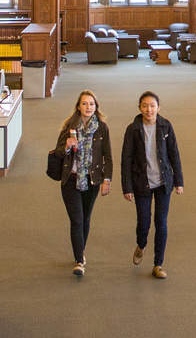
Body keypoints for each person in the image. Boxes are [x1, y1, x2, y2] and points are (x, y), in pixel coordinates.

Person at [120, 91, 183, 279]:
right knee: (144, 223)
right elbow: (126, 159)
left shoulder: (165, 126)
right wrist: (127, 187)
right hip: (142, 183)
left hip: (163, 182)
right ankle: (141, 244)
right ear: (140, 108)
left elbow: (174, 154)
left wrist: (179, 181)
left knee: (161, 223)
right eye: (145, 106)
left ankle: (158, 263)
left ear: (158, 108)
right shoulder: (133, 129)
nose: (149, 109)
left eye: (152, 106)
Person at [54, 90, 113, 277]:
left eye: (91, 104)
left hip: (92, 179)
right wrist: (66, 146)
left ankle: (81, 251)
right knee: (77, 219)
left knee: (86, 219)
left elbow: (108, 156)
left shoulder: (102, 128)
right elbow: (57, 154)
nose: (88, 107)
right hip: (70, 180)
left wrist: (107, 179)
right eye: (84, 104)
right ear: (78, 106)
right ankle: (79, 260)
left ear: (96, 107)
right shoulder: (69, 127)